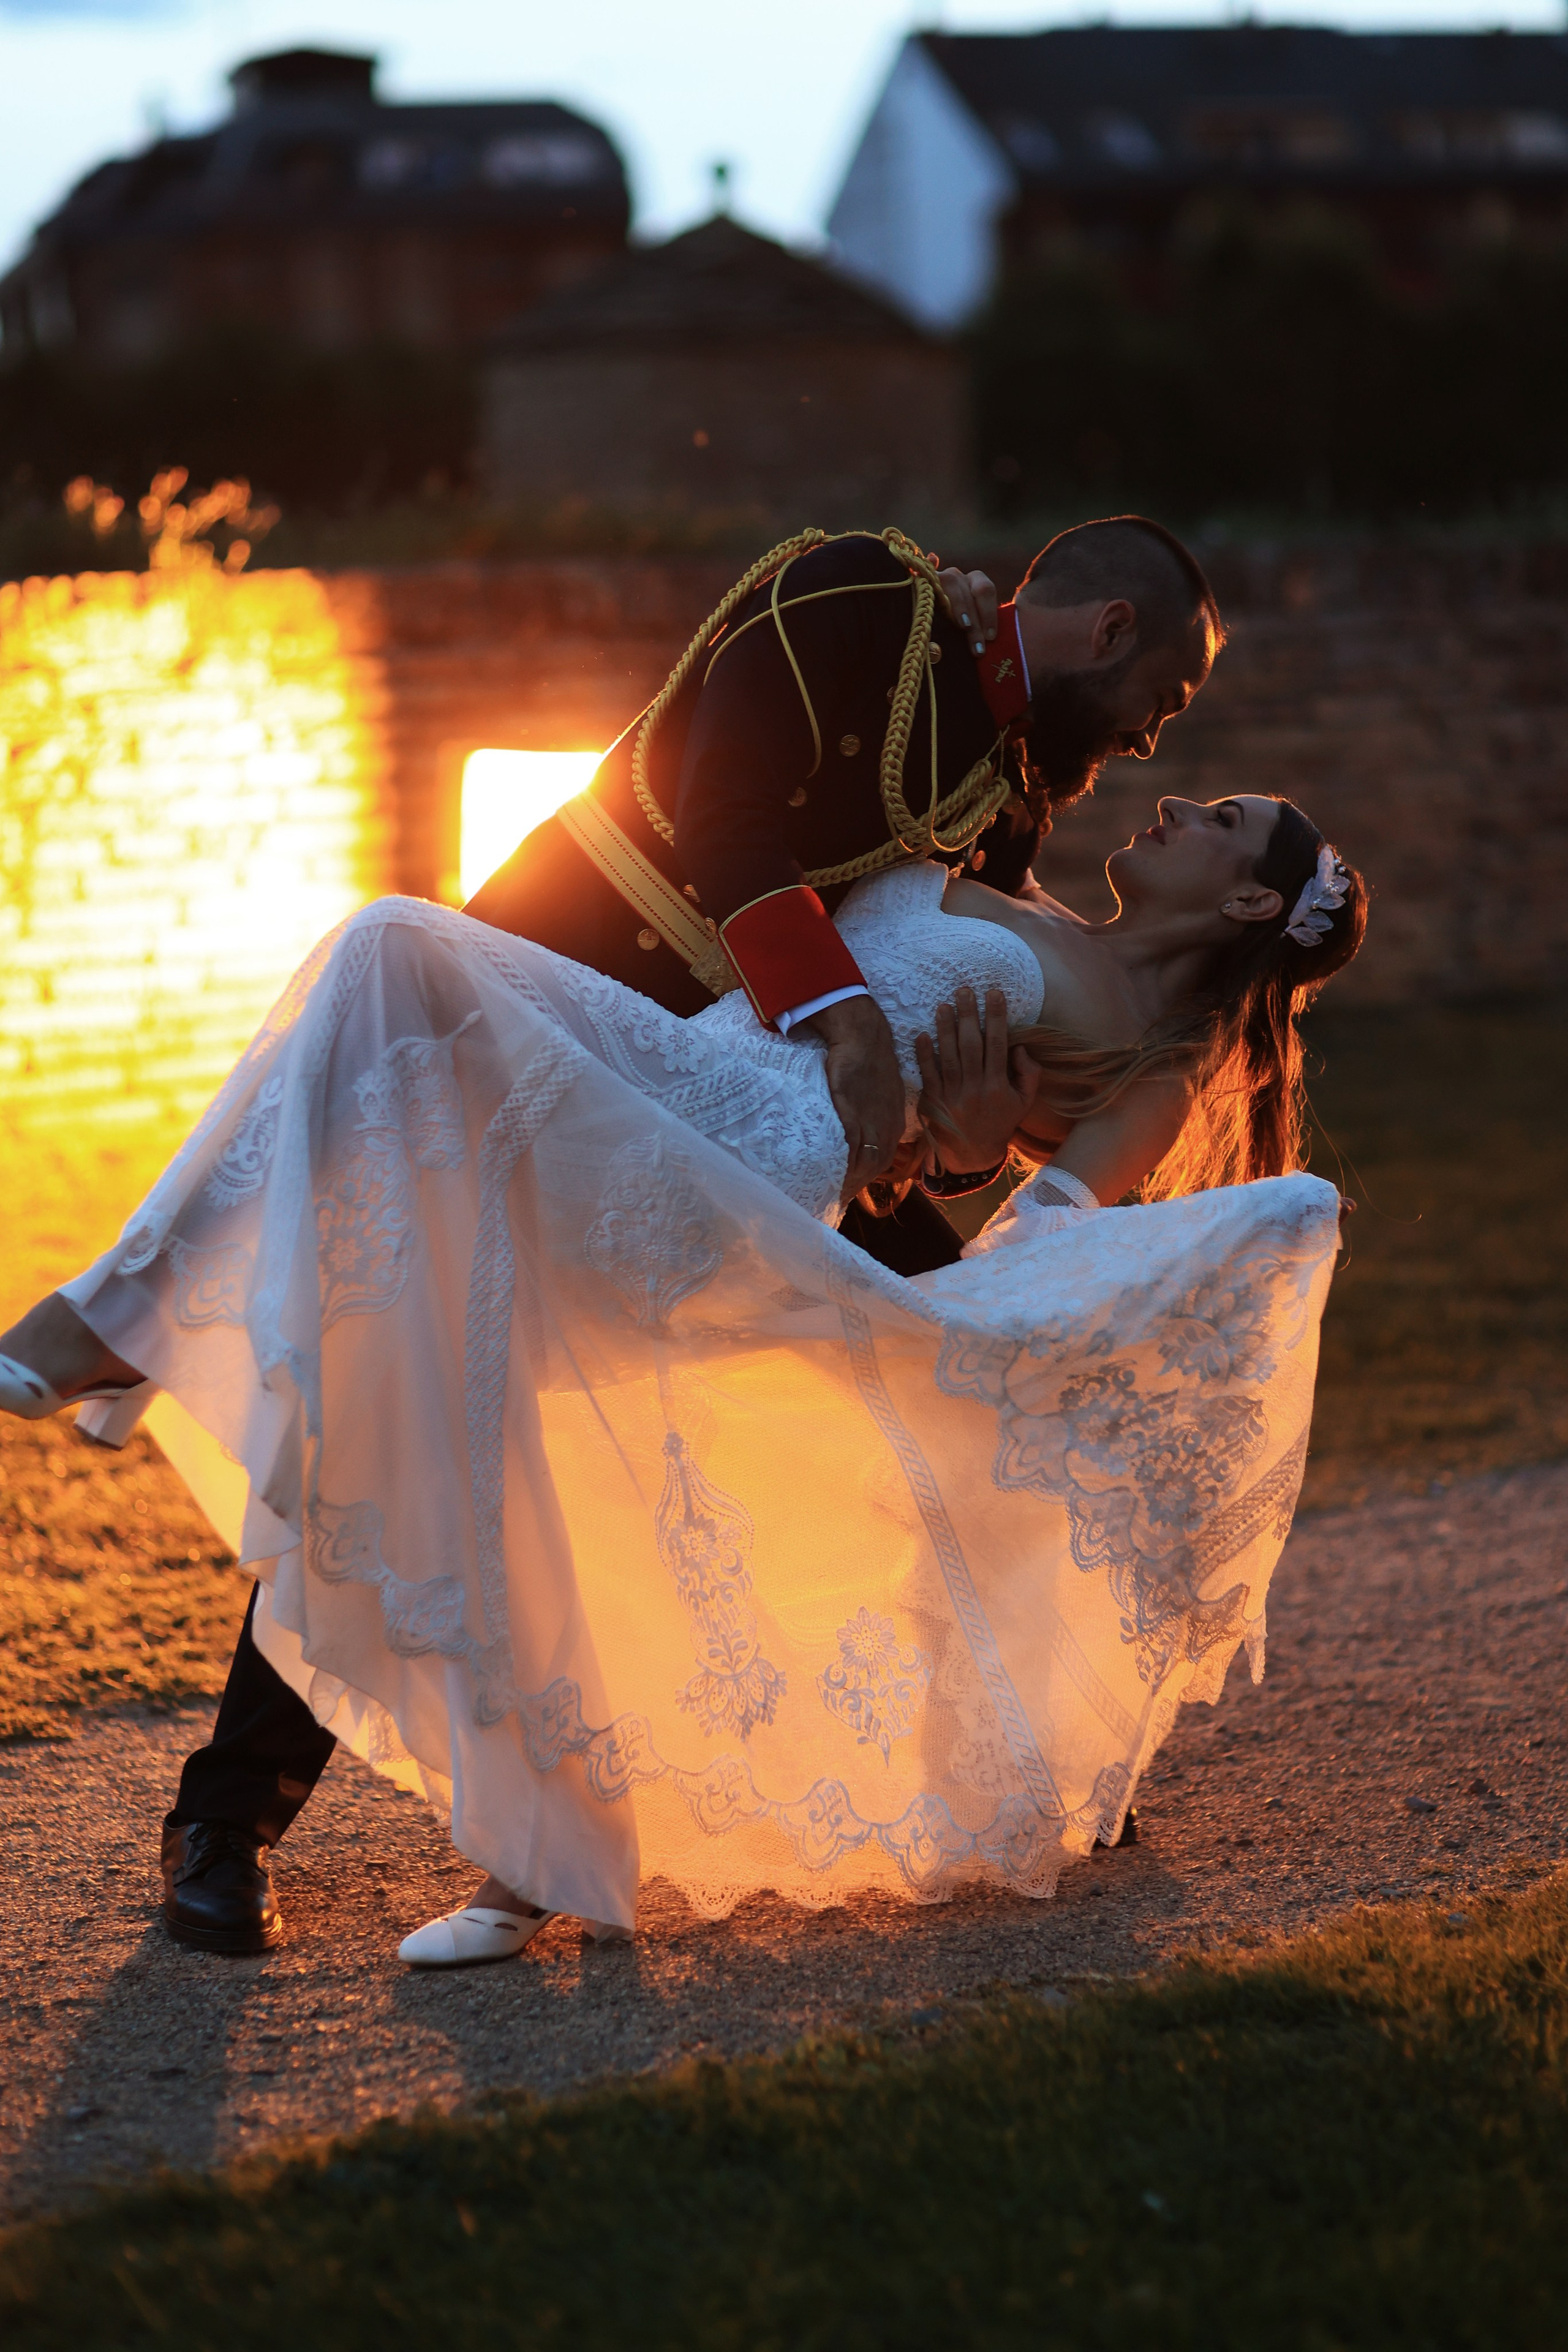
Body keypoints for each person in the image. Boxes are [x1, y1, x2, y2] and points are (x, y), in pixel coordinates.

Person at [17, 515, 1226, 1955]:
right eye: (1163, 692)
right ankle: (228, 1821)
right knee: (399, 1393)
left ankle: (1021, 1758)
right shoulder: (857, 596)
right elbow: (727, 824)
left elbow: (926, 1081)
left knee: (957, 1384)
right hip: (542, 1006)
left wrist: (951, 1145)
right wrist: (841, 1027)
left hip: (734, 1109)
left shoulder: (1008, 808)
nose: (1151, 742)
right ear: (1103, 631)